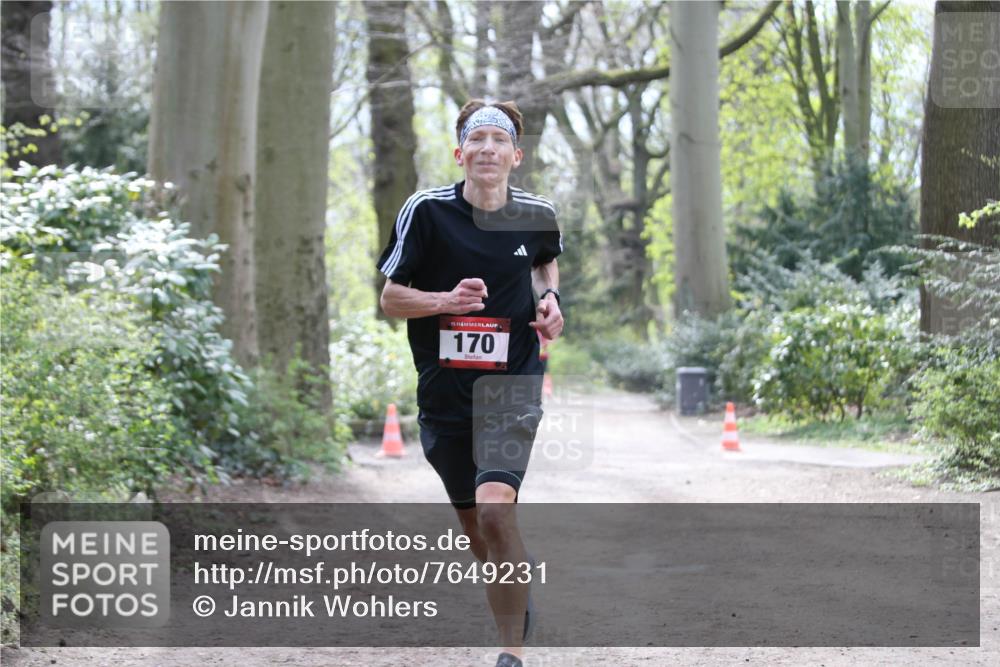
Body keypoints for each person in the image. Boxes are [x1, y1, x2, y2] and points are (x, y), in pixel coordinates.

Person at [377, 99, 563, 667]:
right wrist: (444, 301)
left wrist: (552, 300)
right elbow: (390, 299)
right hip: (445, 395)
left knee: (494, 512)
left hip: (513, 385)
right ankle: (515, 598)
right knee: (478, 533)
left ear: (515, 155)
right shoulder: (425, 212)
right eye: (476, 139)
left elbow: (544, 264)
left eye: (498, 140)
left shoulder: (537, 213)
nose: (487, 149)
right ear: (460, 153)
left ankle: (510, 653)